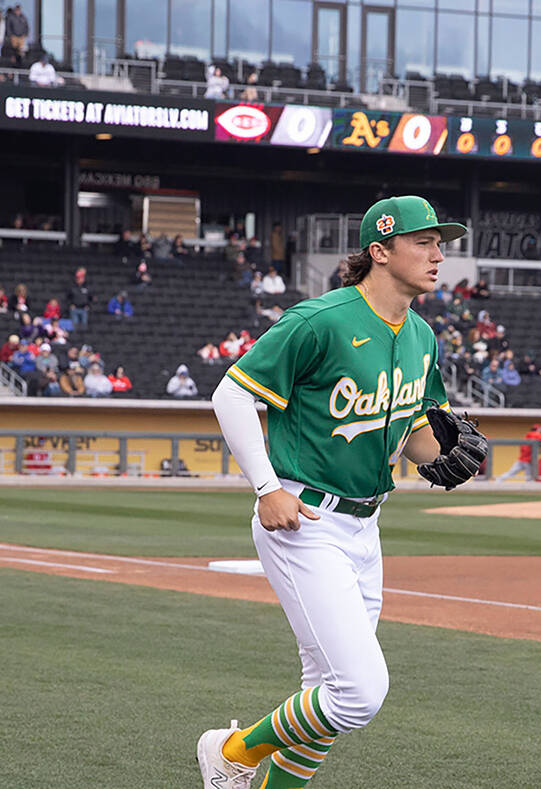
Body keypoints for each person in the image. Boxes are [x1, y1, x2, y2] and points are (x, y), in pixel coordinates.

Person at [200, 195, 477, 789]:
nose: (438, 254)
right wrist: (266, 488)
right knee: (360, 693)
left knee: (326, 690)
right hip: (303, 516)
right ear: (380, 250)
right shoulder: (320, 320)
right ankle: (234, 751)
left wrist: (449, 453)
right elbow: (230, 395)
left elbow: (418, 430)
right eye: (423, 242)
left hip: (365, 525)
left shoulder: (422, 335)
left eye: (441, 243)